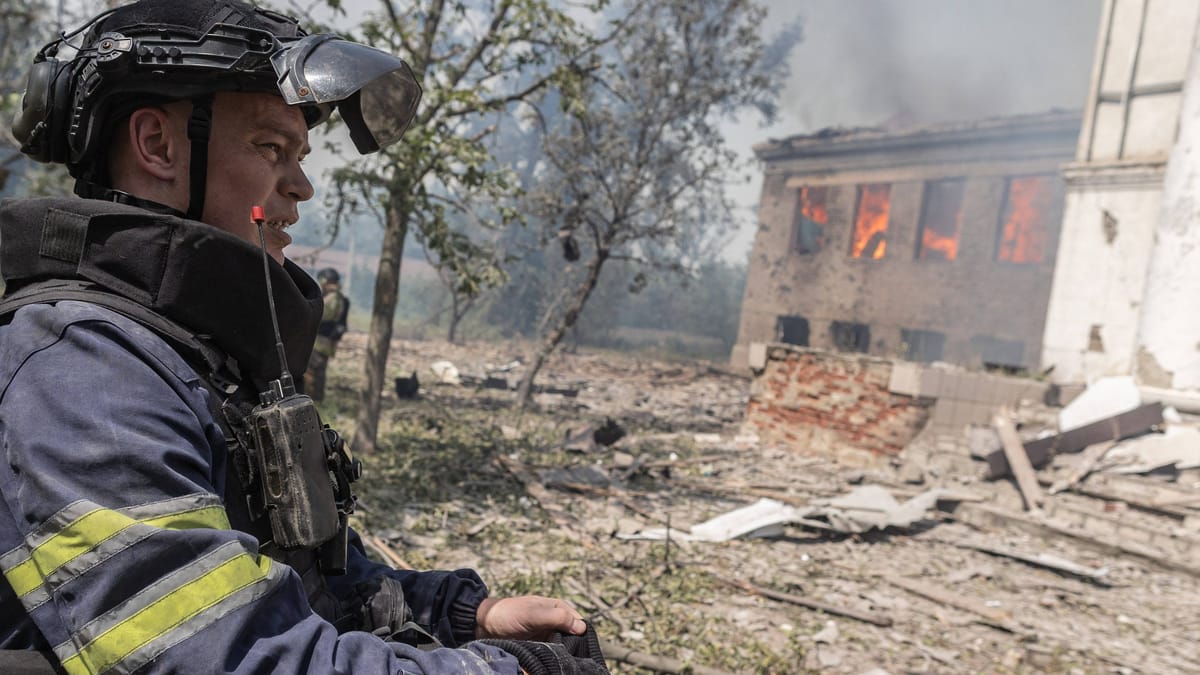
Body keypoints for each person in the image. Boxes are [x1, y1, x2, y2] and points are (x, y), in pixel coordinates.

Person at [0, 2, 606, 674]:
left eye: (300, 154)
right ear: (158, 146)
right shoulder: (85, 375)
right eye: (270, 148)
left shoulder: (186, 353)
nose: (302, 185)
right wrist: (504, 669)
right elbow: (233, 658)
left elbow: (304, 574)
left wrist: (462, 615)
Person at [304, 267, 349, 401]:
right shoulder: (340, 298)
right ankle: (317, 400)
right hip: (325, 343)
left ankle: (312, 400)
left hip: (318, 342)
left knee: (311, 374)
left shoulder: (332, 298)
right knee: (319, 372)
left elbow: (321, 316)